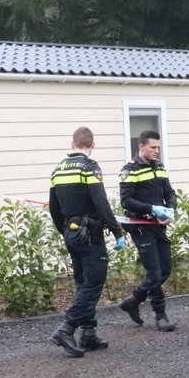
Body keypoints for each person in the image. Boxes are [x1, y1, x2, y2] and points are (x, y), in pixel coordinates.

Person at [47, 126, 126, 357]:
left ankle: (88, 333)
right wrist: (117, 231)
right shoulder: (90, 168)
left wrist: (64, 232)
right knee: (94, 283)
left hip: (71, 232)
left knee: (83, 283)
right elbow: (101, 203)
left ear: (72, 144)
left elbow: (54, 208)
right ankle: (67, 328)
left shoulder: (57, 170)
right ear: (93, 145)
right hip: (90, 233)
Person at [118, 129, 178, 331]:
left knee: (165, 269)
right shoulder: (130, 170)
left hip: (159, 225)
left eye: (158, 148)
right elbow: (126, 200)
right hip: (141, 226)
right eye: (153, 147)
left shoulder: (159, 167)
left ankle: (133, 300)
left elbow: (170, 193)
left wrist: (171, 209)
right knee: (154, 271)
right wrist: (151, 208)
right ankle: (161, 316)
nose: (156, 151)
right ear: (141, 146)